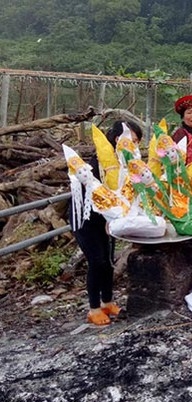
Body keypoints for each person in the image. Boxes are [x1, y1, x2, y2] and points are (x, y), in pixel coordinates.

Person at [71, 120, 143, 325]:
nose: (134, 145)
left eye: (137, 142)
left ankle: (107, 302)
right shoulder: (98, 163)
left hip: (108, 221)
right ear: (116, 139)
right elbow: (94, 195)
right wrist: (107, 219)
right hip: (86, 219)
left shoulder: (125, 162)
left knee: (108, 262)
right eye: (131, 140)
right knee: (97, 261)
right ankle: (93, 308)